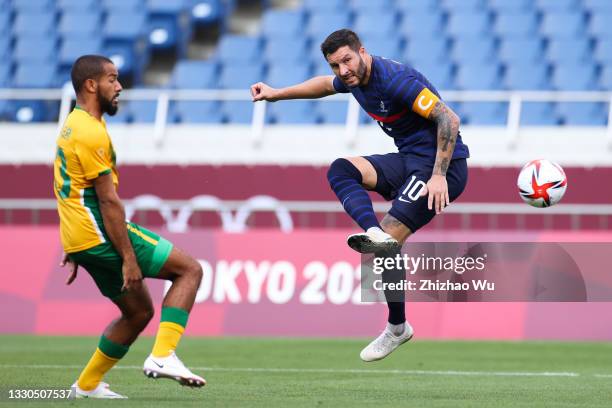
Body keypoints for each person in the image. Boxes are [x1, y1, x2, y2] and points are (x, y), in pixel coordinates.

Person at [251, 29, 469, 362]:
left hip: (443, 166)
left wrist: (439, 176)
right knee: (341, 170)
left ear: (362, 52)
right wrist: (277, 94)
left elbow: (448, 119)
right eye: (336, 65)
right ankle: (372, 233)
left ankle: (397, 328)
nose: (343, 71)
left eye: (347, 61)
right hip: (409, 160)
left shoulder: (397, 80)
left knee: (389, 241)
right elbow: (324, 85)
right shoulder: (353, 79)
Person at [54, 55, 206, 398]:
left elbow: (70, 188)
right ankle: (164, 356)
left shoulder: (72, 124)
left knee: (138, 313)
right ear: (92, 85)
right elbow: (108, 201)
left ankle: (87, 385)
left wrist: (75, 244)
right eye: (112, 79)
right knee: (189, 270)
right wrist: (128, 257)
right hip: (99, 233)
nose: (119, 86)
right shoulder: (90, 132)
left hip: (82, 237)